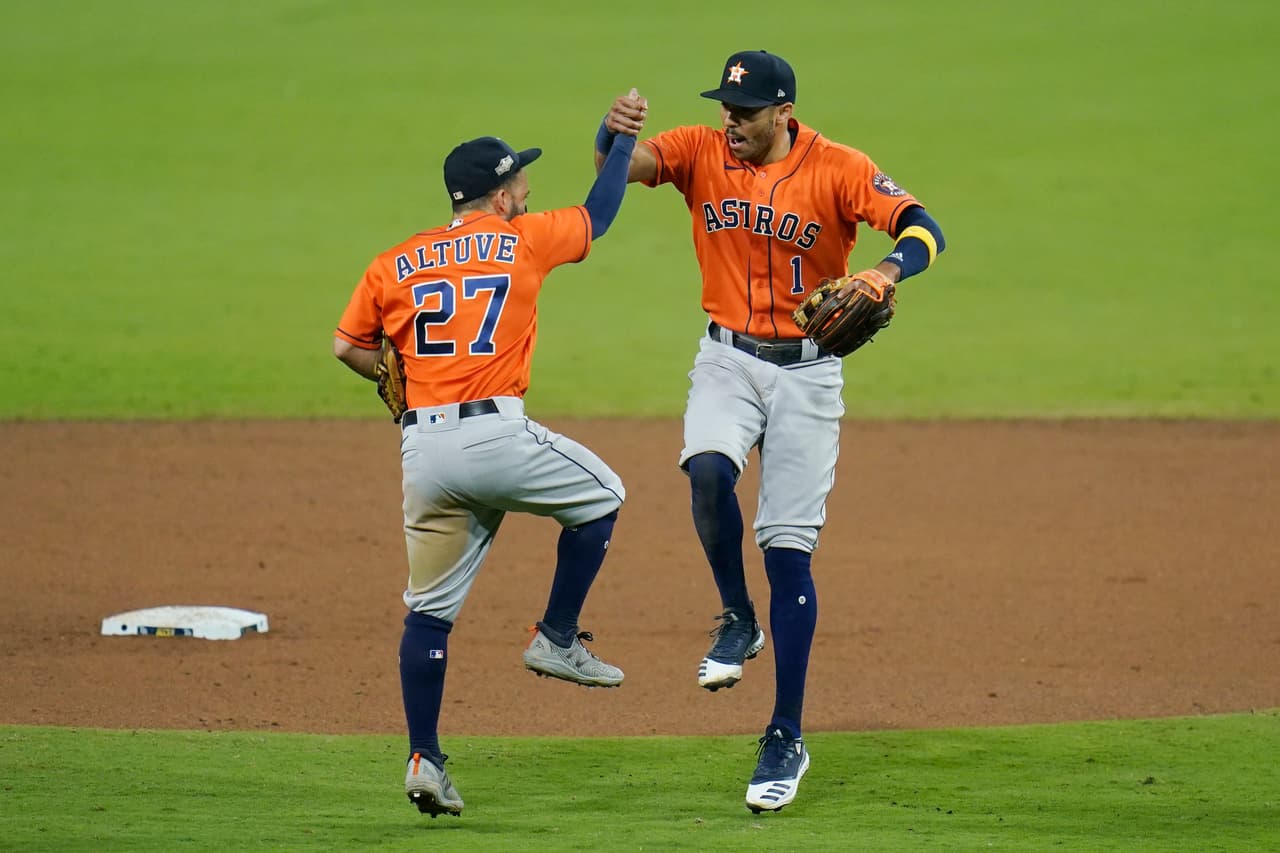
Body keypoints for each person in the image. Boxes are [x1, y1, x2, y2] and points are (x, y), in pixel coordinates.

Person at [596, 51, 946, 812]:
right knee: (707, 471)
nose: (732, 121)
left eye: (746, 111)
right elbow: (623, 166)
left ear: (783, 111)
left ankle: (785, 731)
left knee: (787, 551)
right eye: (726, 106)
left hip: (809, 374)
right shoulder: (699, 148)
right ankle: (736, 616)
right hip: (726, 357)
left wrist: (884, 273)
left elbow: (925, 228)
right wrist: (613, 131)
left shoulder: (842, 168)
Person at [334, 103, 643, 818]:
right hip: (496, 437)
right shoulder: (522, 237)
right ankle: (557, 636)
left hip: (424, 452)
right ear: (500, 196)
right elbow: (600, 212)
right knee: (603, 495)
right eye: (523, 182)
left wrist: (394, 378)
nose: (529, 191)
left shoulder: (394, 261)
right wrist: (622, 142)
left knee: (430, 614)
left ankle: (425, 757)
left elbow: (348, 346)